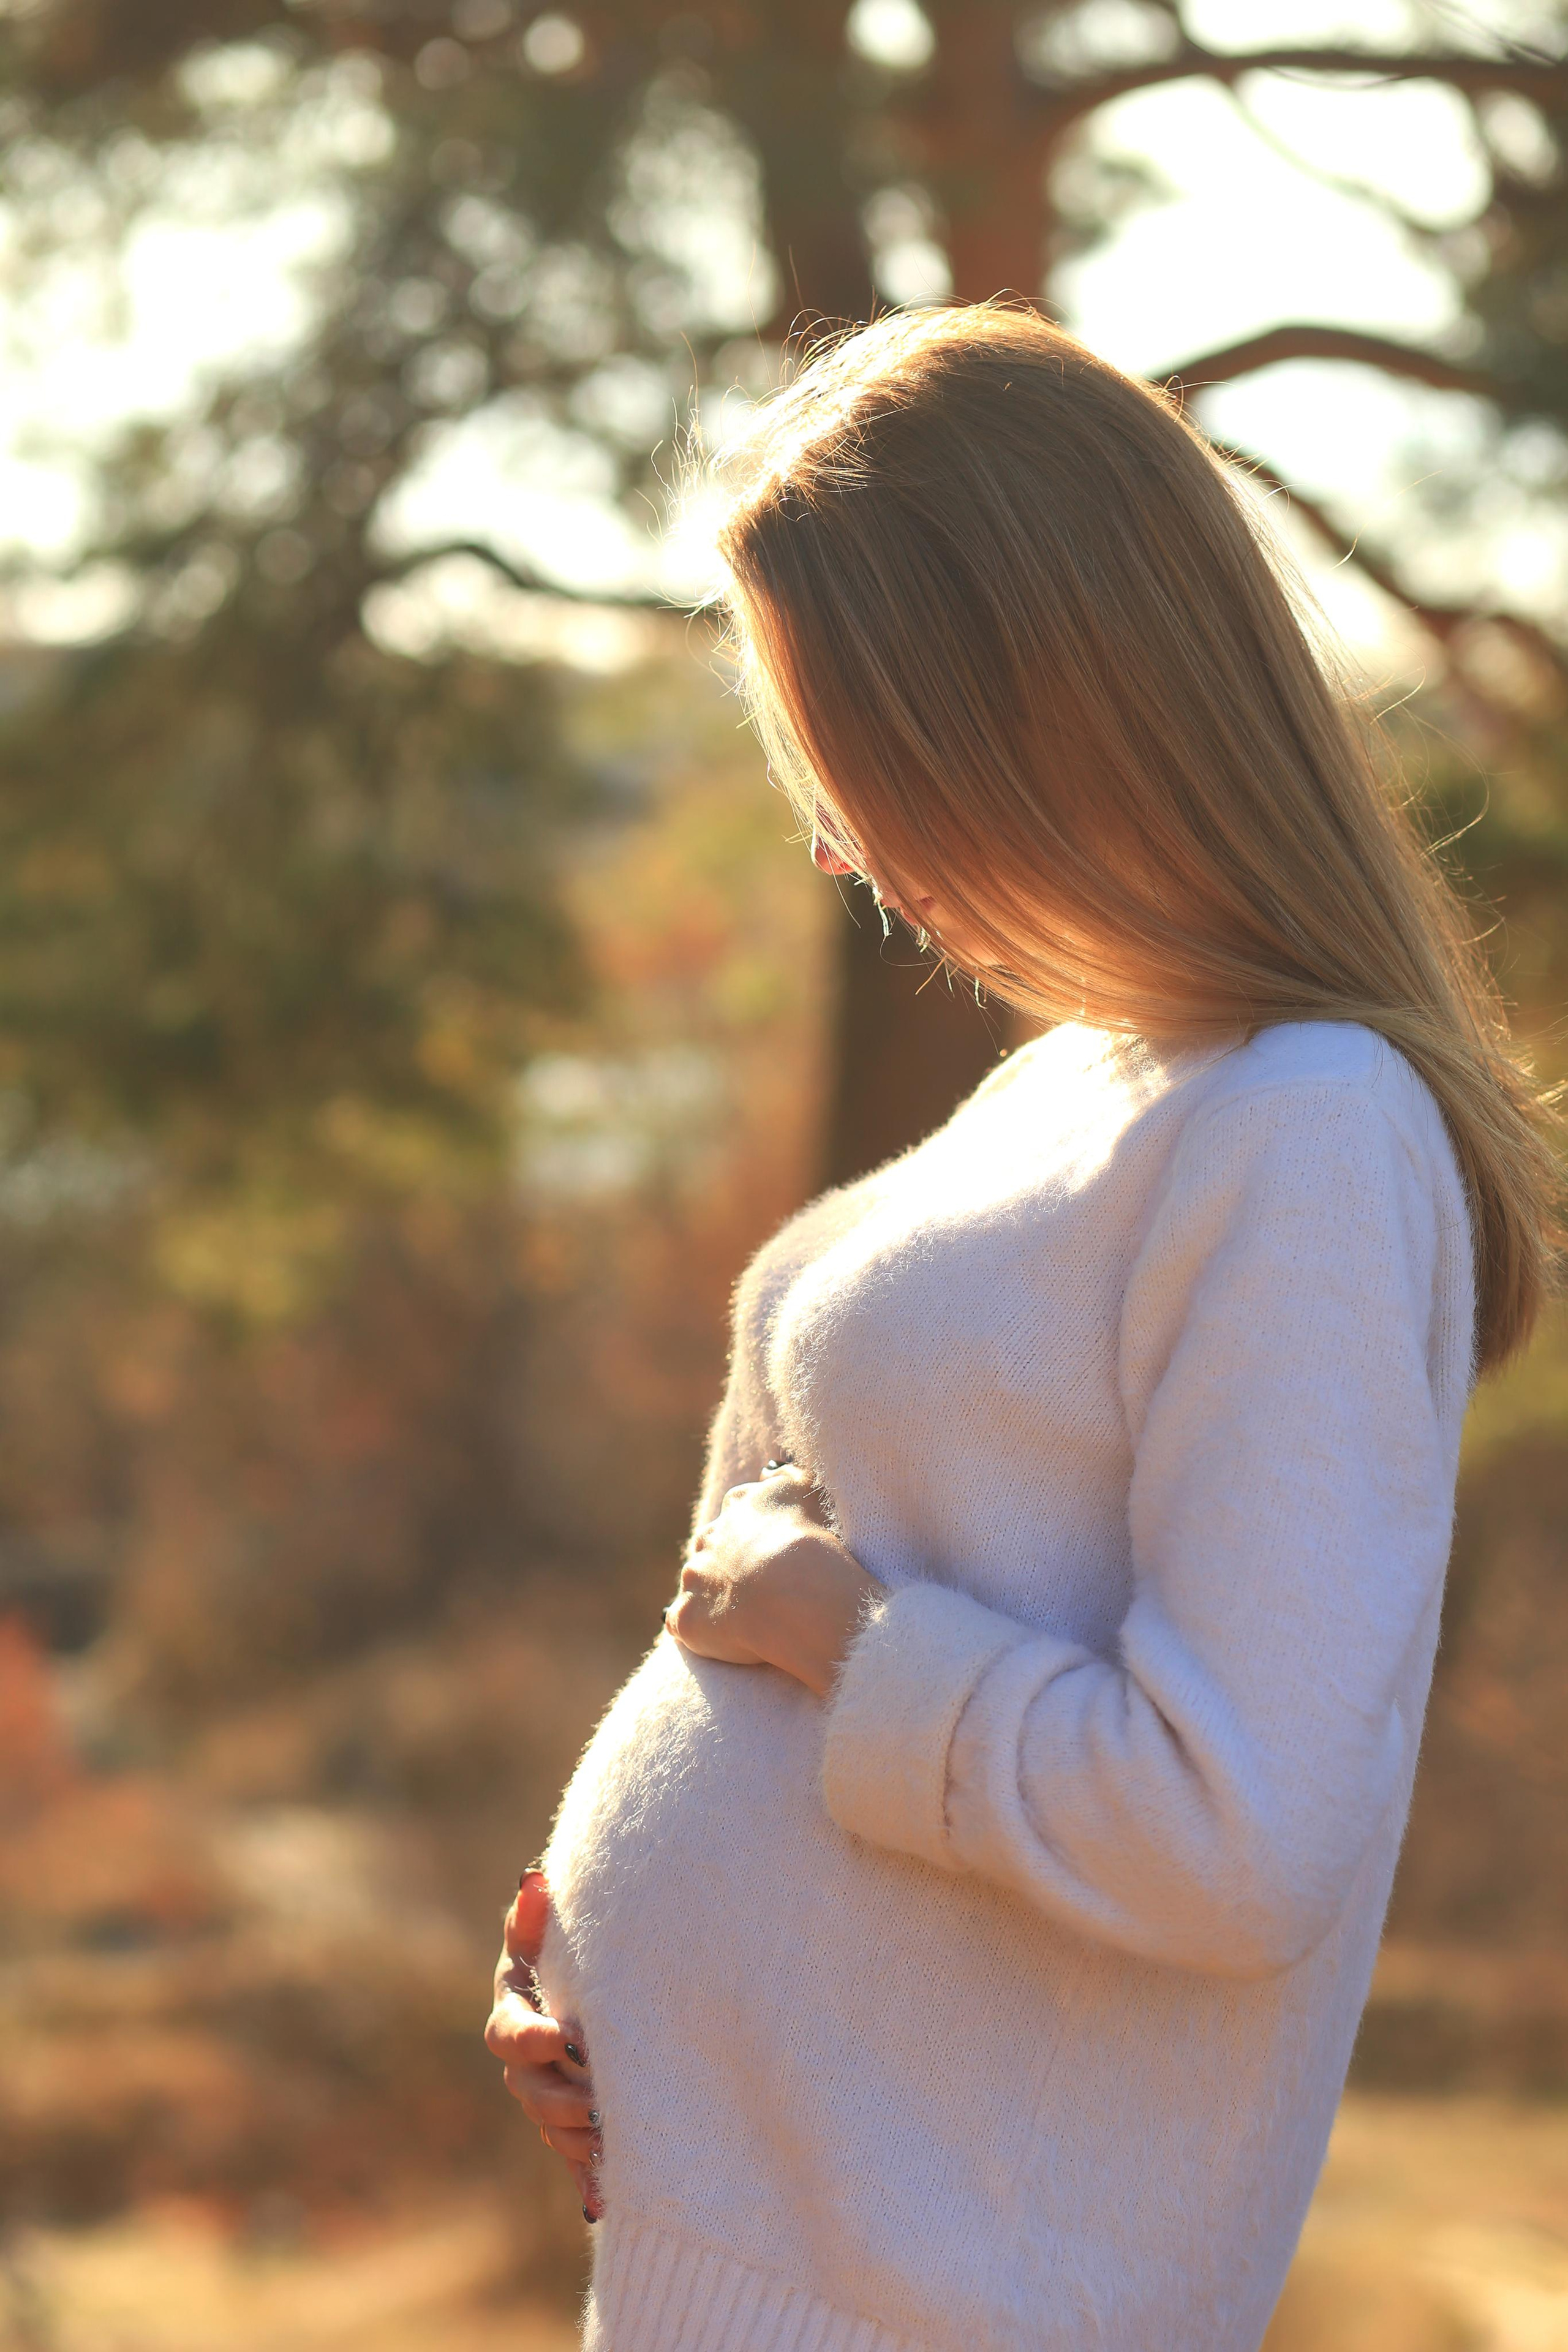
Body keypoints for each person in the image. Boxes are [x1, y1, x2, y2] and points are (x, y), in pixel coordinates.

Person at [483, 304, 1559, 2352]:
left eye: (859, 765)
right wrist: (594, 1993)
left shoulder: (1308, 1136)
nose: (835, 845)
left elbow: (1237, 1836)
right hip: (749, 2274)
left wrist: (854, 1651)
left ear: (1032, 716)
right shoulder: (1092, 1087)